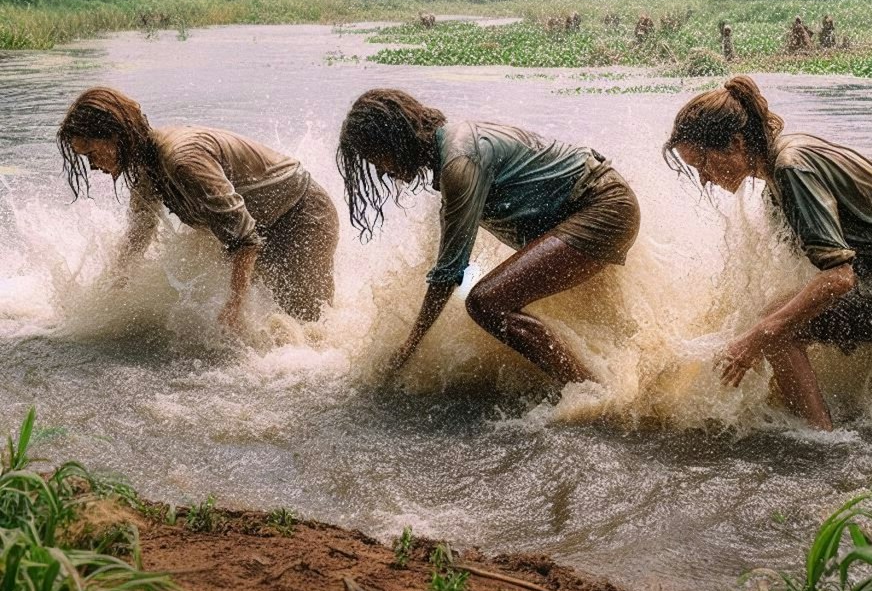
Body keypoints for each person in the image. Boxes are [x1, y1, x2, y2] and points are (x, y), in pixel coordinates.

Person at [663, 76, 872, 431]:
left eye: (703, 163)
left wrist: (755, 338)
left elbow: (838, 277)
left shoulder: (791, 168)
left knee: (777, 326)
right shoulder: (780, 167)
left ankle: (818, 438)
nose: (705, 178)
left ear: (736, 143)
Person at [336, 88, 641, 384]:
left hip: (602, 207)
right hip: (595, 203)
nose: (381, 170)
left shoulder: (460, 162)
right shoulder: (453, 152)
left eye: (375, 157)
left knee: (486, 302)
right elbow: (451, 259)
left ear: (394, 140)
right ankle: (625, 385)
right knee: (592, 320)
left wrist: (408, 349)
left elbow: (450, 270)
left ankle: (585, 390)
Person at [58, 87, 339, 328]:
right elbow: (138, 235)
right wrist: (113, 289)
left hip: (300, 214)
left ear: (117, 135)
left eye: (92, 153)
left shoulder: (183, 161)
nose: (93, 165)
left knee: (310, 326)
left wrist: (234, 307)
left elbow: (244, 238)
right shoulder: (146, 168)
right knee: (274, 321)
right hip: (262, 223)